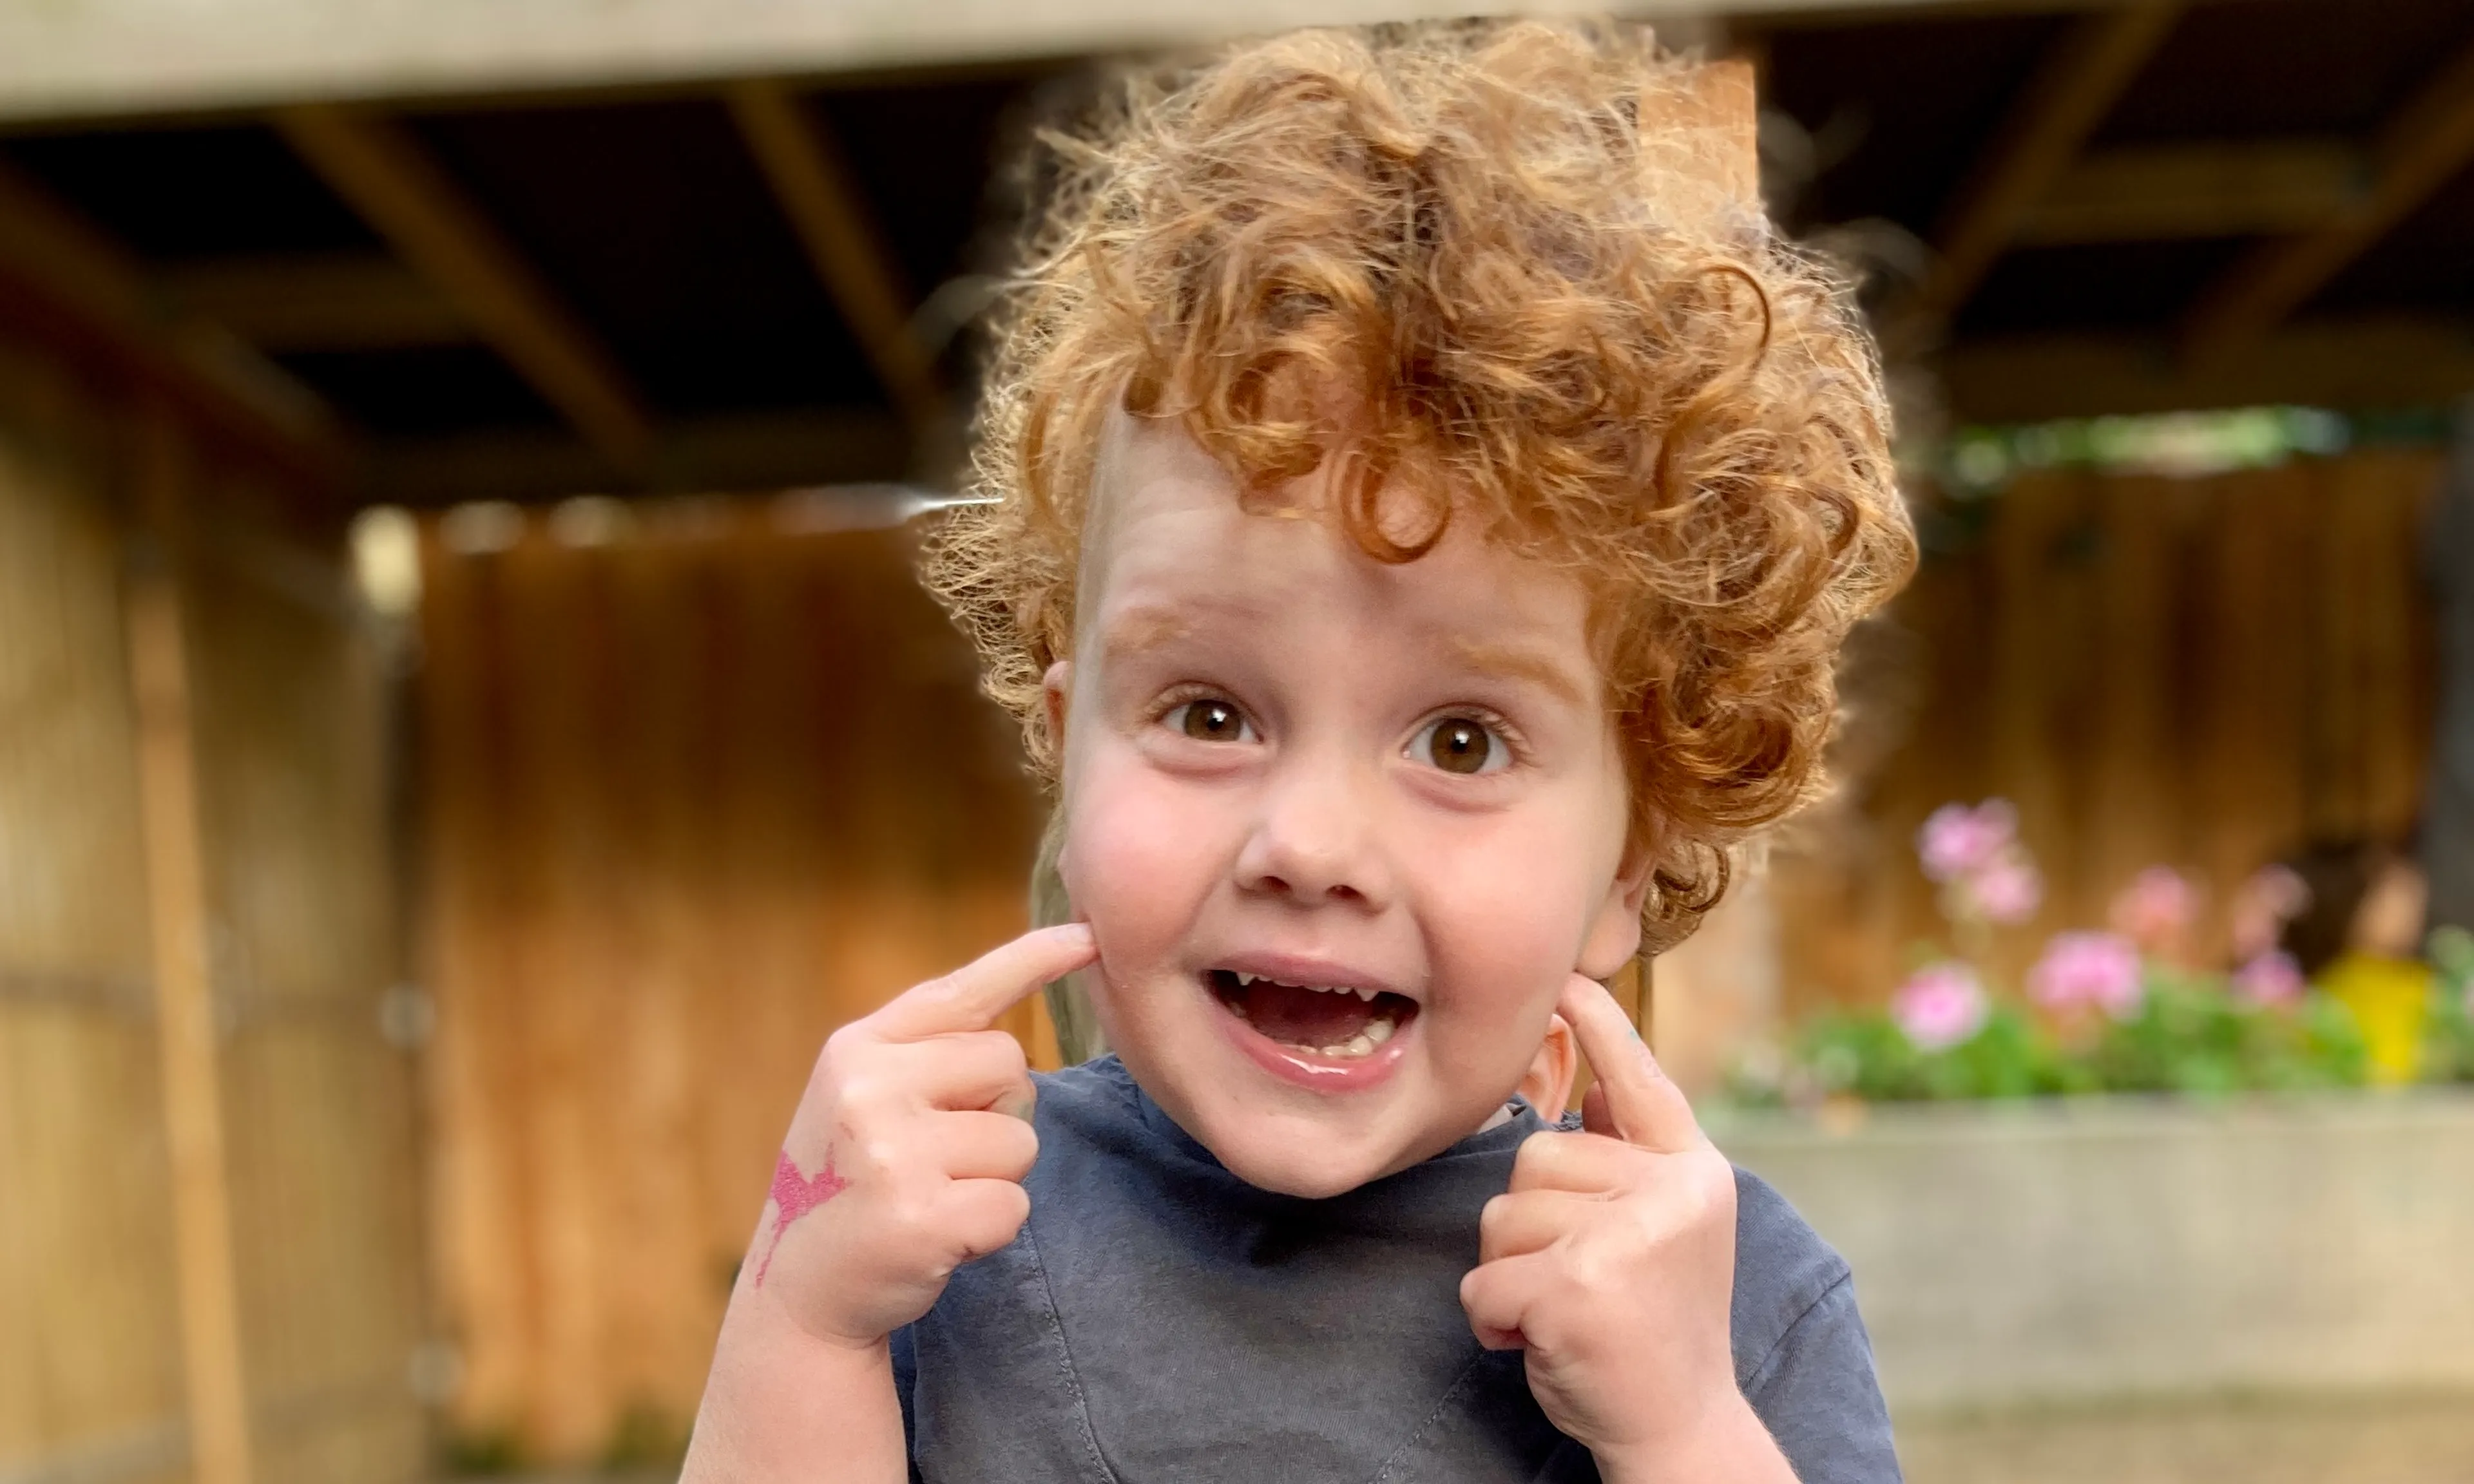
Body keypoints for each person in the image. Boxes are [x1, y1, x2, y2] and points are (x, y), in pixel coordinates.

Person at [683, 20, 1915, 1483]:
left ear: (1625, 866)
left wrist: (1682, 1426)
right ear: (1070, 754)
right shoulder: (922, 1247)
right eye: (1210, 716)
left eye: (1462, 740)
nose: (1311, 847)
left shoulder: (1721, 1311)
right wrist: (801, 1322)